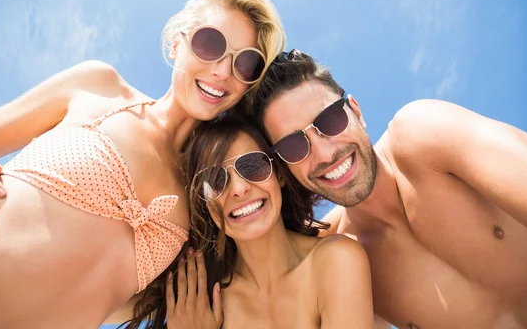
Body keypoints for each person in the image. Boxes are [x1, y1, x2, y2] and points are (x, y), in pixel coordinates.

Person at [0, 0, 286, 328]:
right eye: (210, 43)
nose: (222, 71)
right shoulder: (97, 87)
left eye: (246, 64)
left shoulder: (207, 200)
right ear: (178, 43)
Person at [252, 49, 527, 329]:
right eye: (294, 146)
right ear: (285, 168)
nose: (323, 153)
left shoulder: (423, 137)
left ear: (356, 111)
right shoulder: (343, 260)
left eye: (330, 119)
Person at [131, 117, 374, 328]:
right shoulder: (198, 303)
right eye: (216, 180)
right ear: (203, 202)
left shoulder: (337, 260)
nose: (238, 189)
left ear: (279, 173)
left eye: (253, 166)